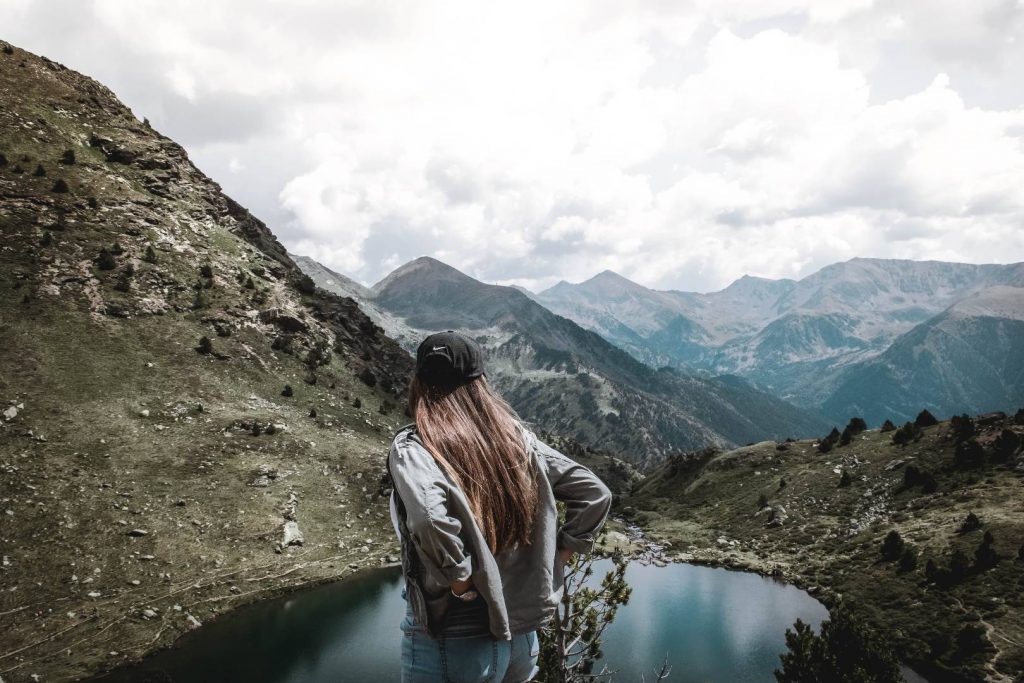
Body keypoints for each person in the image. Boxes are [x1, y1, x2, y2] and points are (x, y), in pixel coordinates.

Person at [388, 330, 613, 683]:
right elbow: (595, 493)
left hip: (452, 637)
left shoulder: (415, 449)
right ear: (481, 383)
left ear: (418, 382)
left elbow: (430, 519)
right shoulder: (516, 440)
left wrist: (460, 583)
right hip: (520, 635)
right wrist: (558, 557)